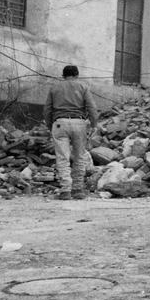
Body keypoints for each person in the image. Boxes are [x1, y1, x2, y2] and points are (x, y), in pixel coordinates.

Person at [44, 65, 98, 200]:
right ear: (77, 75)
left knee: (62, 157)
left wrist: (50, 125)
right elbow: (92, 107)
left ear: (63, 75)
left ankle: (65, 190)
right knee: (79, 156)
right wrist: (94, 124)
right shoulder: (83, 86)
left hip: (60, 123)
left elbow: (47, 110)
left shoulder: (54, 88)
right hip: (79, 123)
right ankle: (78, 189)